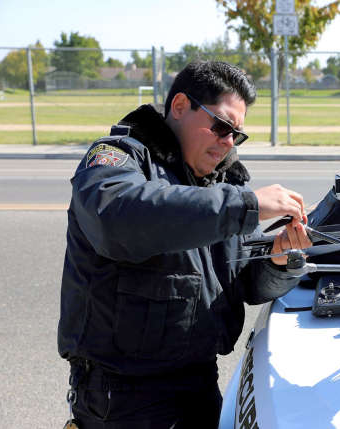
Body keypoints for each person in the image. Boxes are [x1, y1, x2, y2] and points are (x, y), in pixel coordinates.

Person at [57, 60, 312, 428]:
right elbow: (117, 219)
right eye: (221, 126)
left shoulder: (219, 183)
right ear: (180, 107)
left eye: (236, 135)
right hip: (124, 399)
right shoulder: (118, 159)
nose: (227, 143)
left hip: (197, 386)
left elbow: (242, 282)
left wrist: (279, 259)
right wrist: (247, 206)